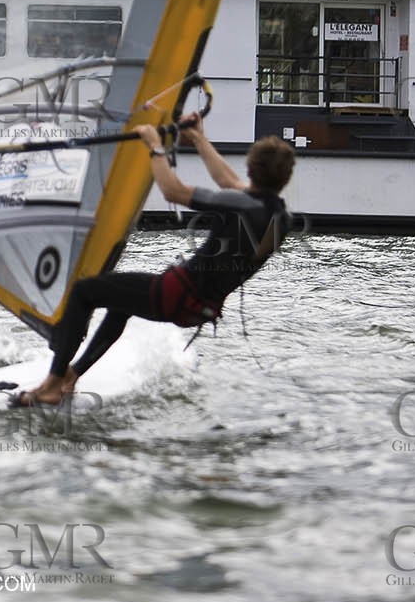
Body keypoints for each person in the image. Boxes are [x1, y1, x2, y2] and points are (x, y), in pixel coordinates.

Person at [16, 113, 296, 406]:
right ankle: (72, 375)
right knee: (120, 303)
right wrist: (198, 138)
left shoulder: (242, 205)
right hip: (201, 308)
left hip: (175, 294)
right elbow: (228, 181)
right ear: (285, 178)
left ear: (250, 168)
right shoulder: (281, 216)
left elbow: (172, 191)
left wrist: (155, 146)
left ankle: (52, 384)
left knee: (83, 291)